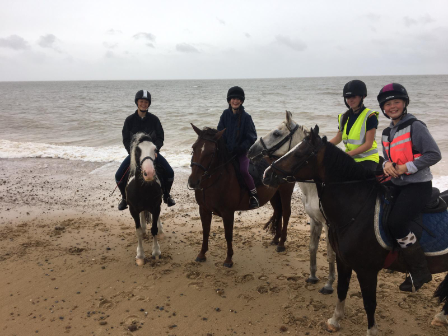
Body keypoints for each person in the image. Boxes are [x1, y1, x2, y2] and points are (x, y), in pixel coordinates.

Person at [378, 83, 441, 292]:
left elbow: (434, 154)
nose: (392, 106)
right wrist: (386, 164)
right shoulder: (387, 132)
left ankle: (419, 270)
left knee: (396, 222)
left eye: (396, 102)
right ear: (383, 108)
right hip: (397, 184)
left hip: (418, 186)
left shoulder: (416, 126)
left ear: (404, 103)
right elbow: (388, 157)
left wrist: (407, 167)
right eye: (388, 104)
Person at [115, 89, 176, 210]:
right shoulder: (129, 120)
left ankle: (167, 196)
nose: (144, 104)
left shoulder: (154, 120)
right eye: (141, 101)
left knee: (170, 172)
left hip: (151, 154)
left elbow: (160, 137)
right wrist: (132, 153)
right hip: (135, 155)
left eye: (146, 102)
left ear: (149, 104)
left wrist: (155, 150)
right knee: (118, 175)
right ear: (137, 102)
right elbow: (126, 139)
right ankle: (124, 198)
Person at [217, 86, 259, 209]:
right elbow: (220, 131)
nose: (235, 101)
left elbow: (252, 136)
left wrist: (240, 148)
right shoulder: (225, 114)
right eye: (233, 98)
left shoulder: (247, 117)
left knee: (243, 171)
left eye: (238, 99)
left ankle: (253, 195)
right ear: (229, 100)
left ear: (241, 101)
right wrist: (223, 146)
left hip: (241, 152)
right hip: (227, 151)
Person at [329, 80, 380, 170]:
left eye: (353, 97)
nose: (350, 100)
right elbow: (338, 138)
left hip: (368, 159)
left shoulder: (370, 116)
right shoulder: (343, 117)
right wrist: (321, 145)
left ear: (362, 96)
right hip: (351, 158)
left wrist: (346, 155)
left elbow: (368, 144)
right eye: (347, 97)